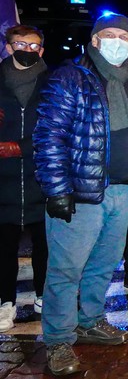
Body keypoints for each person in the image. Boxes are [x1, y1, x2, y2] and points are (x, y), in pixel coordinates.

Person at [33, 13, 128, 376]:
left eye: (124, 36)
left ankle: (90, 321)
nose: (117, 41)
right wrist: (57, 190)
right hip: (80, 193)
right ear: (95, 40)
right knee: (66, 269)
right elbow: (49, 135)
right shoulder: (71, 76)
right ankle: (58, 340)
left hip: (122, 190)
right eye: (109, 35)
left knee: (104, 265)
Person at [0, 25, 49, 332]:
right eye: (20, 44)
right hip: (3, 180)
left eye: (33, 46)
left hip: (41, 177)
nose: (27, 51)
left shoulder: (52, 81)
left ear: (41, 50)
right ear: (8, 47)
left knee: (46, 246)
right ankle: (5, 302)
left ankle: (44, 296)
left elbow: (57, 128)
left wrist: (21, 147)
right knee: (4, 248)